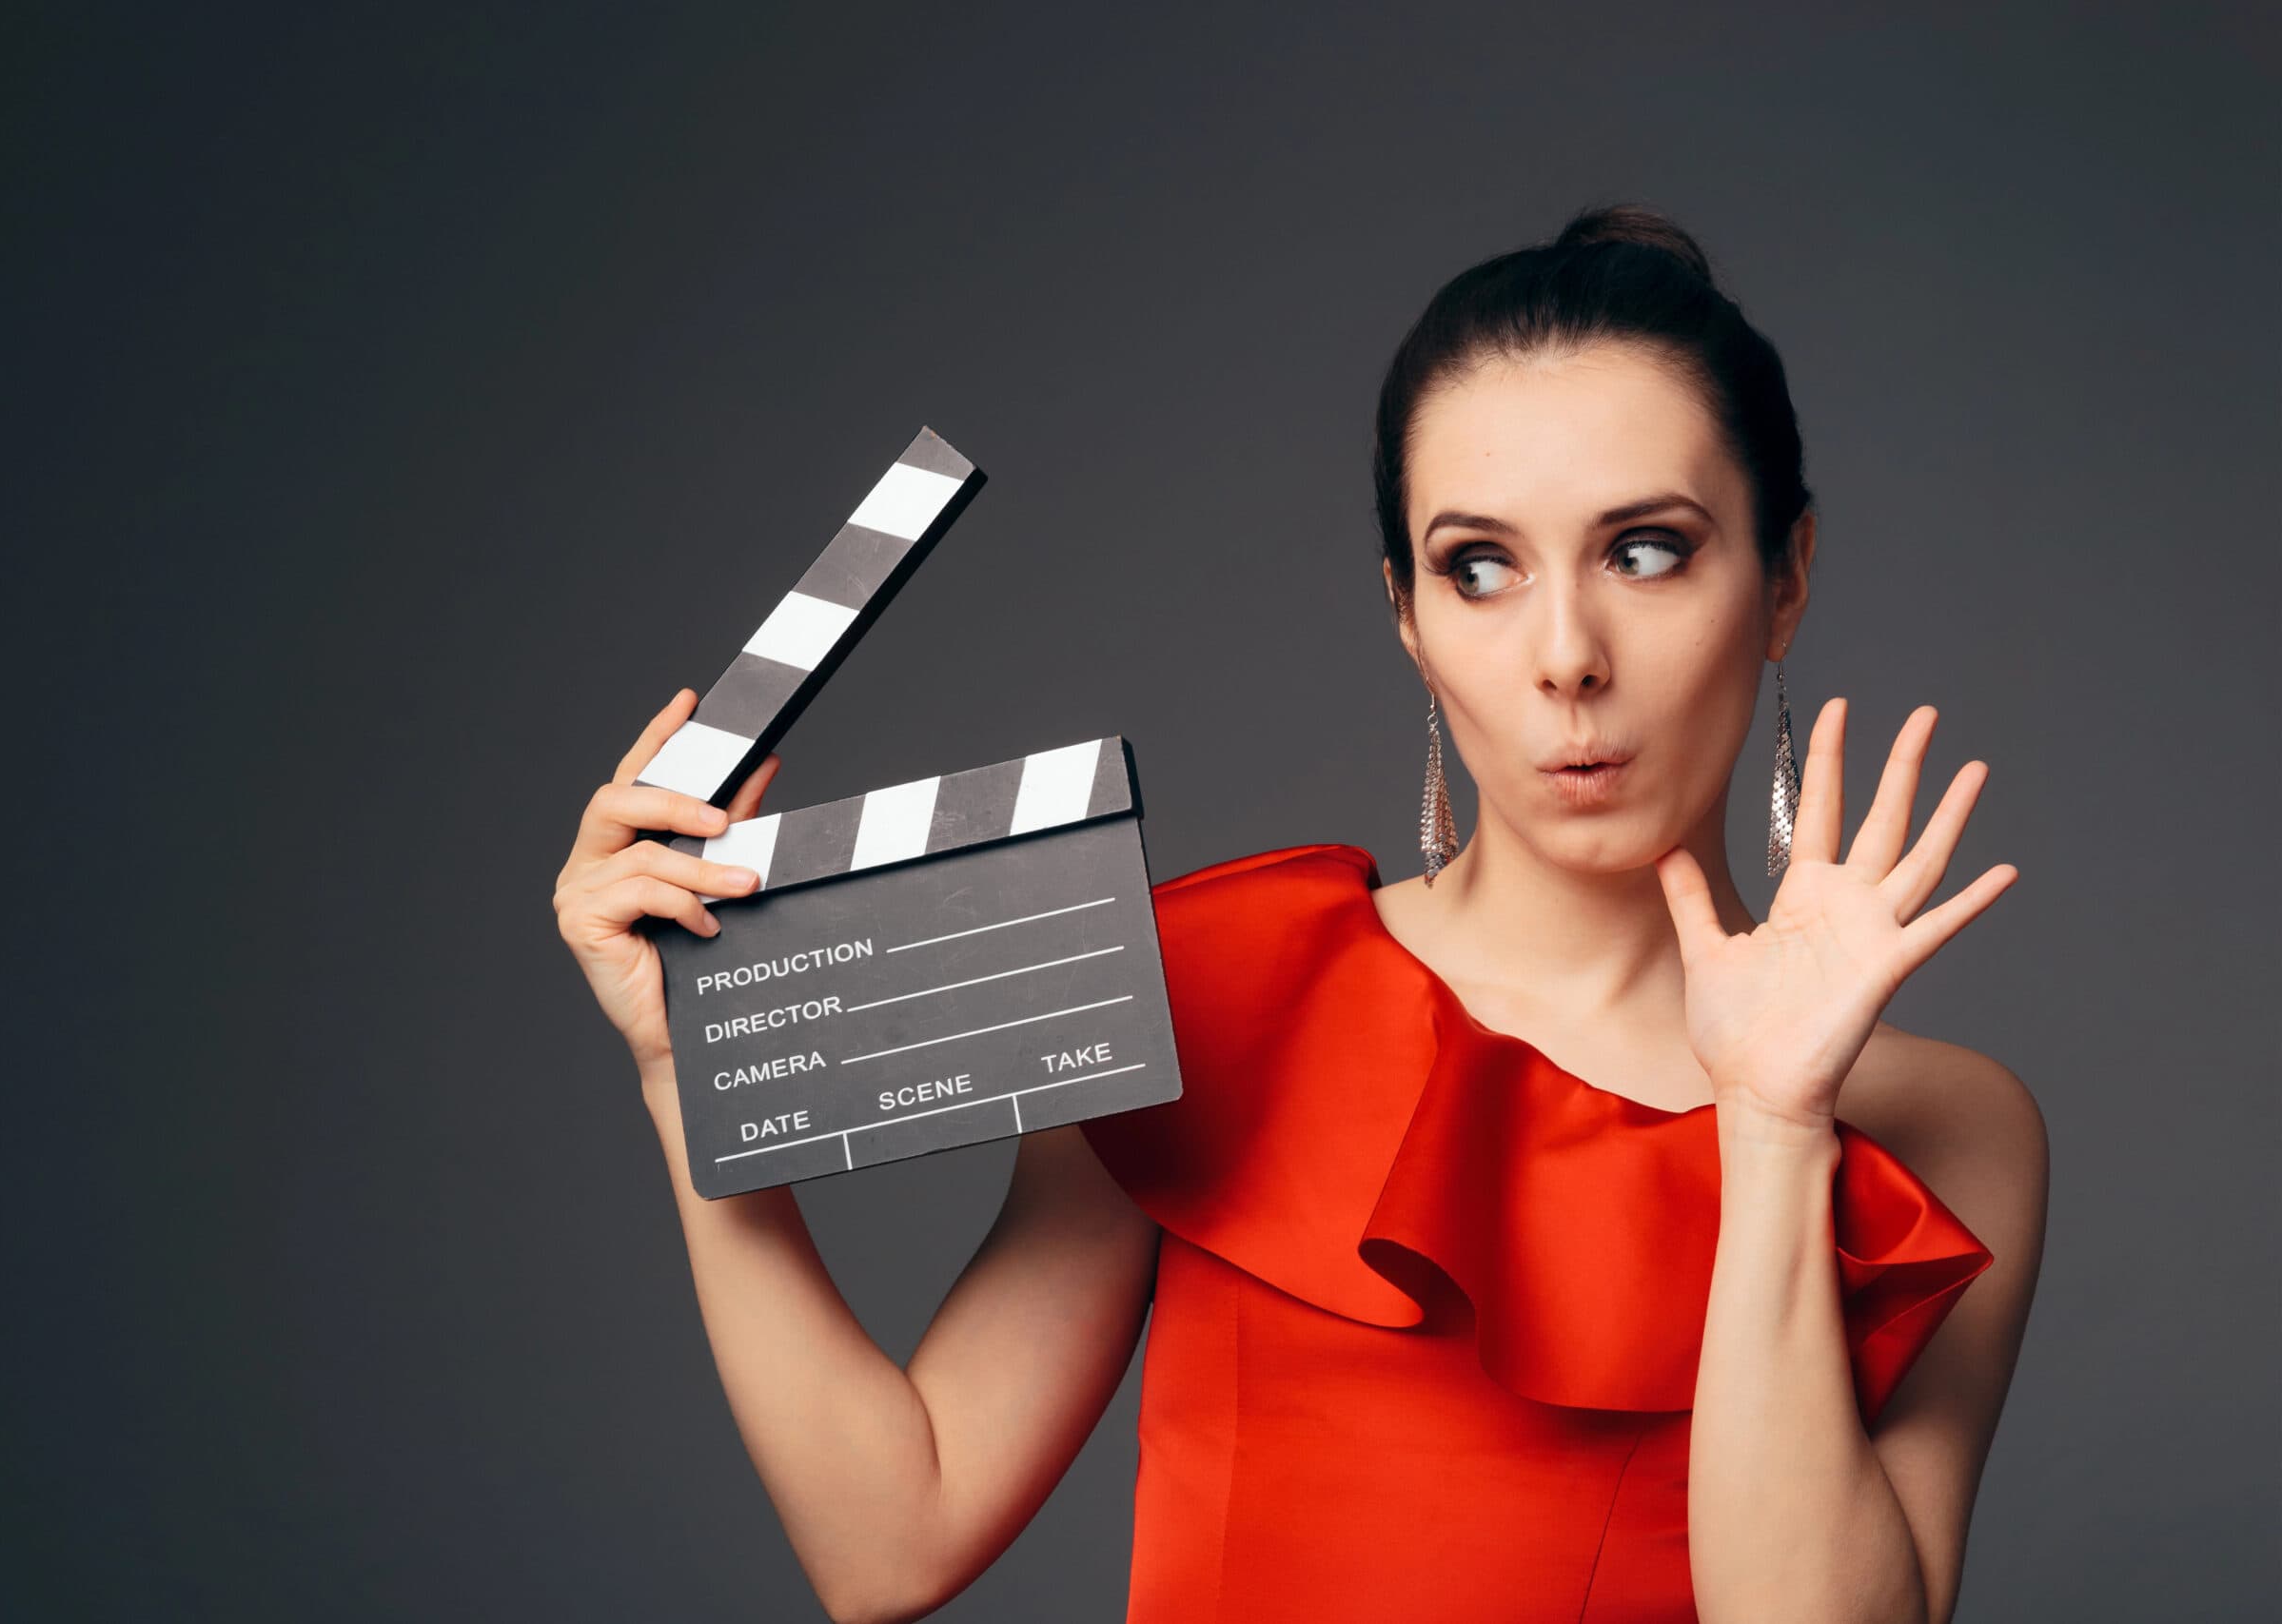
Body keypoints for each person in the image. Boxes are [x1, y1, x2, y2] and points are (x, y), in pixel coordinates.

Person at [550, 203, 2048, 1624]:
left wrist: (1776, 1130)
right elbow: (890, 1538)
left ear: (1783, 578)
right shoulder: (1211, 990)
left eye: (1645, 550)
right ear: (1407, 616)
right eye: (1481, 569)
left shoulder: (1941, 1130)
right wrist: (698, 1077)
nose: (1567, 655)